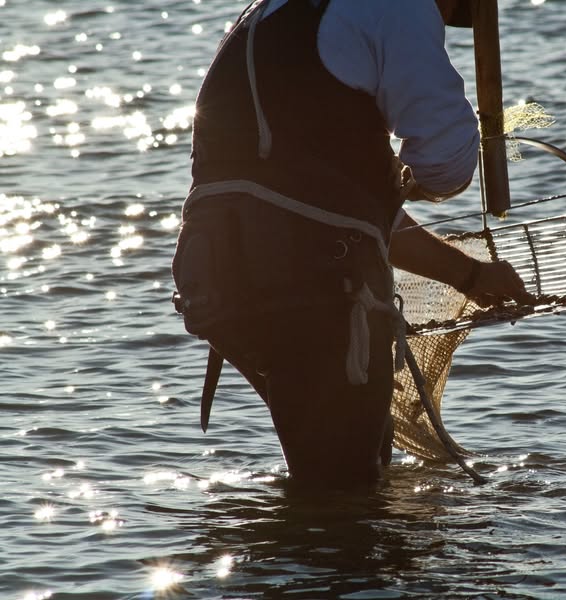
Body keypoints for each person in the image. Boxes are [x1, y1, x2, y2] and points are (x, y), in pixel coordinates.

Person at [172, 0, 529, 488]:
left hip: (216, 280)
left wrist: (470, 276)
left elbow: (342, 212)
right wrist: (411, 177)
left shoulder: (270, 12)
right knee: (346, 493)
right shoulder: (398, 6)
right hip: (313, 283)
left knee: (335, 466)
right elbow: (447, 163)